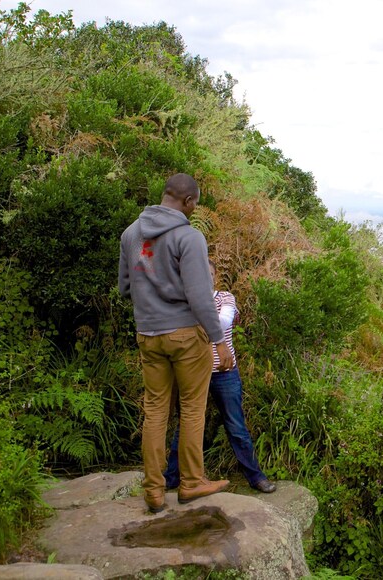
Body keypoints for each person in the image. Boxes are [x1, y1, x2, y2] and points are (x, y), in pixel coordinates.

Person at [119, 173, 230, 513]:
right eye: (195, 204)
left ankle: (153, 491)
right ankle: (191, 482)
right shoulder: (189, 236)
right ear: (188, 202)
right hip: (185, 334)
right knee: (192, 408)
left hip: (148, 335)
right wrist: (218, 341)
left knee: (155, 410)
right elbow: (199, 295)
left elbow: (125, 287)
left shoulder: (130, 234)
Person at [163, 260, 277, 494]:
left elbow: (224, 320)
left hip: (225, 373)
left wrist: (192, 323)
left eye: (210, 273)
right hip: (193, 374)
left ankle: (256, 477)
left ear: (215, 277)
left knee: (236, 426)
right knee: (186, 425)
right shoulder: (185, 301)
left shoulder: (225, 298)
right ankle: (171, 477)